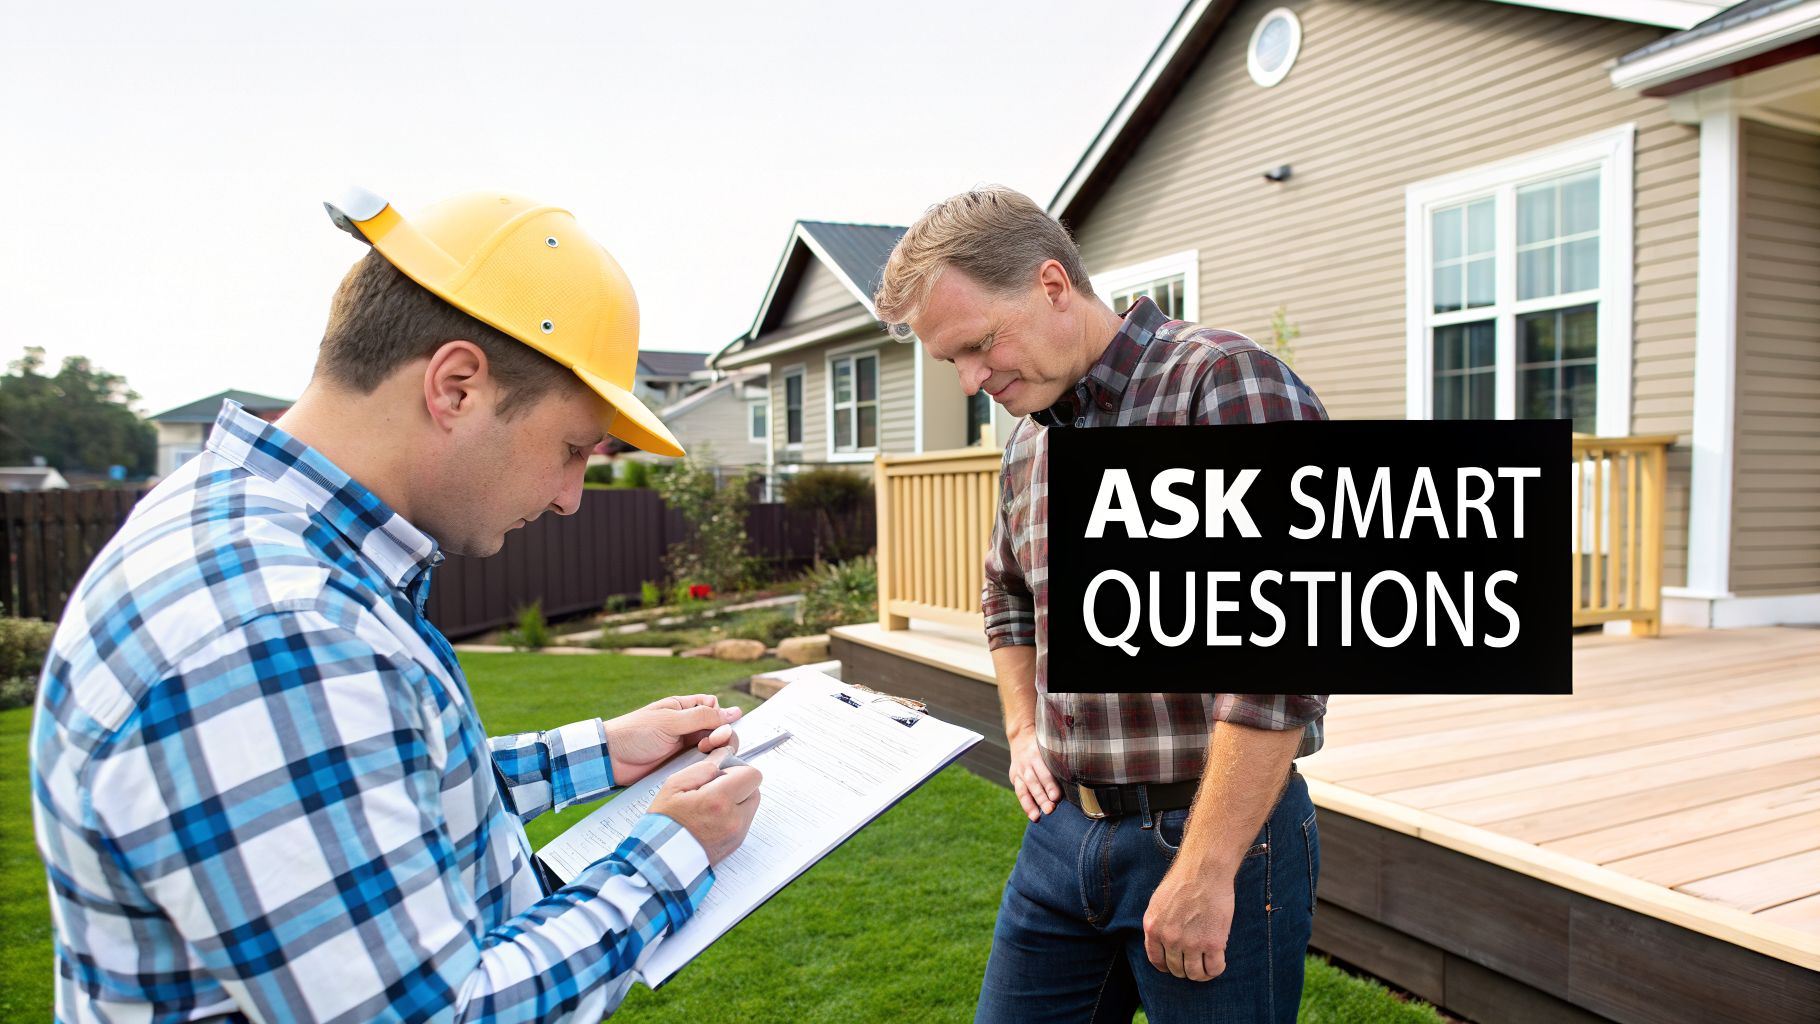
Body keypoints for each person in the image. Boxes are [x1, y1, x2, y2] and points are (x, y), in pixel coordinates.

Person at [32, 188, 763, 1023]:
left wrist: (596, 752)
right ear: (456, 387)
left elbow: (362, 793)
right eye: (571, 449)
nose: (570, 497)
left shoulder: (245, 531)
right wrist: (673, 852)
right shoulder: (277, 633)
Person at [874, 187, 1330, 1024]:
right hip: (1062, 840)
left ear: (1053, 285)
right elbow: (1006, 593)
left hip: (1210, 837)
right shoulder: (1030, 441)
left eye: (977, 346)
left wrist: (1205, 868)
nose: (973, 380)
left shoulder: (1219, 385)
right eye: (952, 364)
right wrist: (1020, 731)